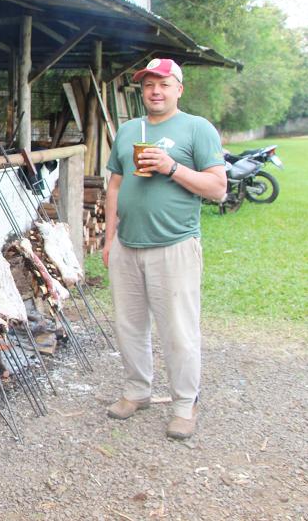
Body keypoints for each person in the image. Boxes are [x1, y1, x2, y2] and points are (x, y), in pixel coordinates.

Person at [102, 58, 227, 440]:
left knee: (179, 331)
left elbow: (218, 189)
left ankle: (184, 404)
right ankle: (137, 391)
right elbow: (115, 186)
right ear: (141, 90)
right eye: (149, 85)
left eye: (164, 84)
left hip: (174, 246)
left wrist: (172, 167)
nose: (156, 91)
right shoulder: (127, 130)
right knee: (129, 327)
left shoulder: (196, 129)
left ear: (179, 89)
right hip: (127, 247)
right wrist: (109, 240)